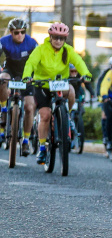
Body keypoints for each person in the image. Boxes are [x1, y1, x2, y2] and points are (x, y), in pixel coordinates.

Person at [21, 22, 92, 165]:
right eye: (55, 37)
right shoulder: (41, 49)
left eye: (62, 38)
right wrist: (27, 75)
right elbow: (31, 63)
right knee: (45, 115)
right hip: (43, 85)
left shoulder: (68, 50)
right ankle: (42, 148)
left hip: (60, 84)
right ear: (50, 37)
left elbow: (78, 62)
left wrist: (86, 74)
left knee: (71, 90)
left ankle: (67, 117)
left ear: (65, 39)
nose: (58, 41)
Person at [0, 18, 39, 155]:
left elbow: (40, 61)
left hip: (27, 73)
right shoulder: (3, 41)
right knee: (2, 79)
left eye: (22, 32)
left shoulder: (32, 42)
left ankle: (26, 141)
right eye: (16, 32)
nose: (20, 35)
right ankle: (4, 109)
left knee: (29, 107)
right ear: (11, 32)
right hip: (10, 69)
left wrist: (36, 75)